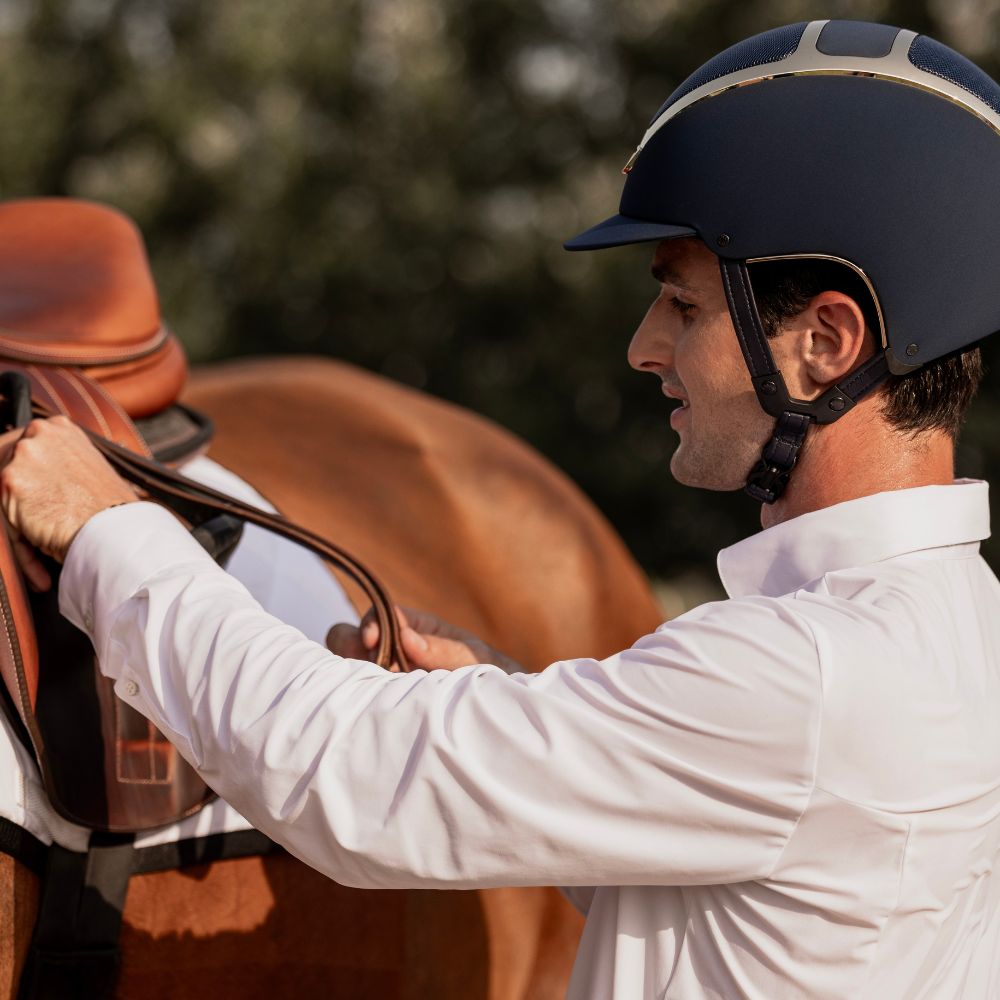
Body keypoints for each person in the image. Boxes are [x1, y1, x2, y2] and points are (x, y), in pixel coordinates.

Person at [2, 18, 1000, 999]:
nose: (643, 348)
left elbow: (345, 769)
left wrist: (105, 526)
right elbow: (738, 836)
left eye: (684, 306)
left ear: (825, 341)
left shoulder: (802, 677)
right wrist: (499, 689)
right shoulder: (953, 626)